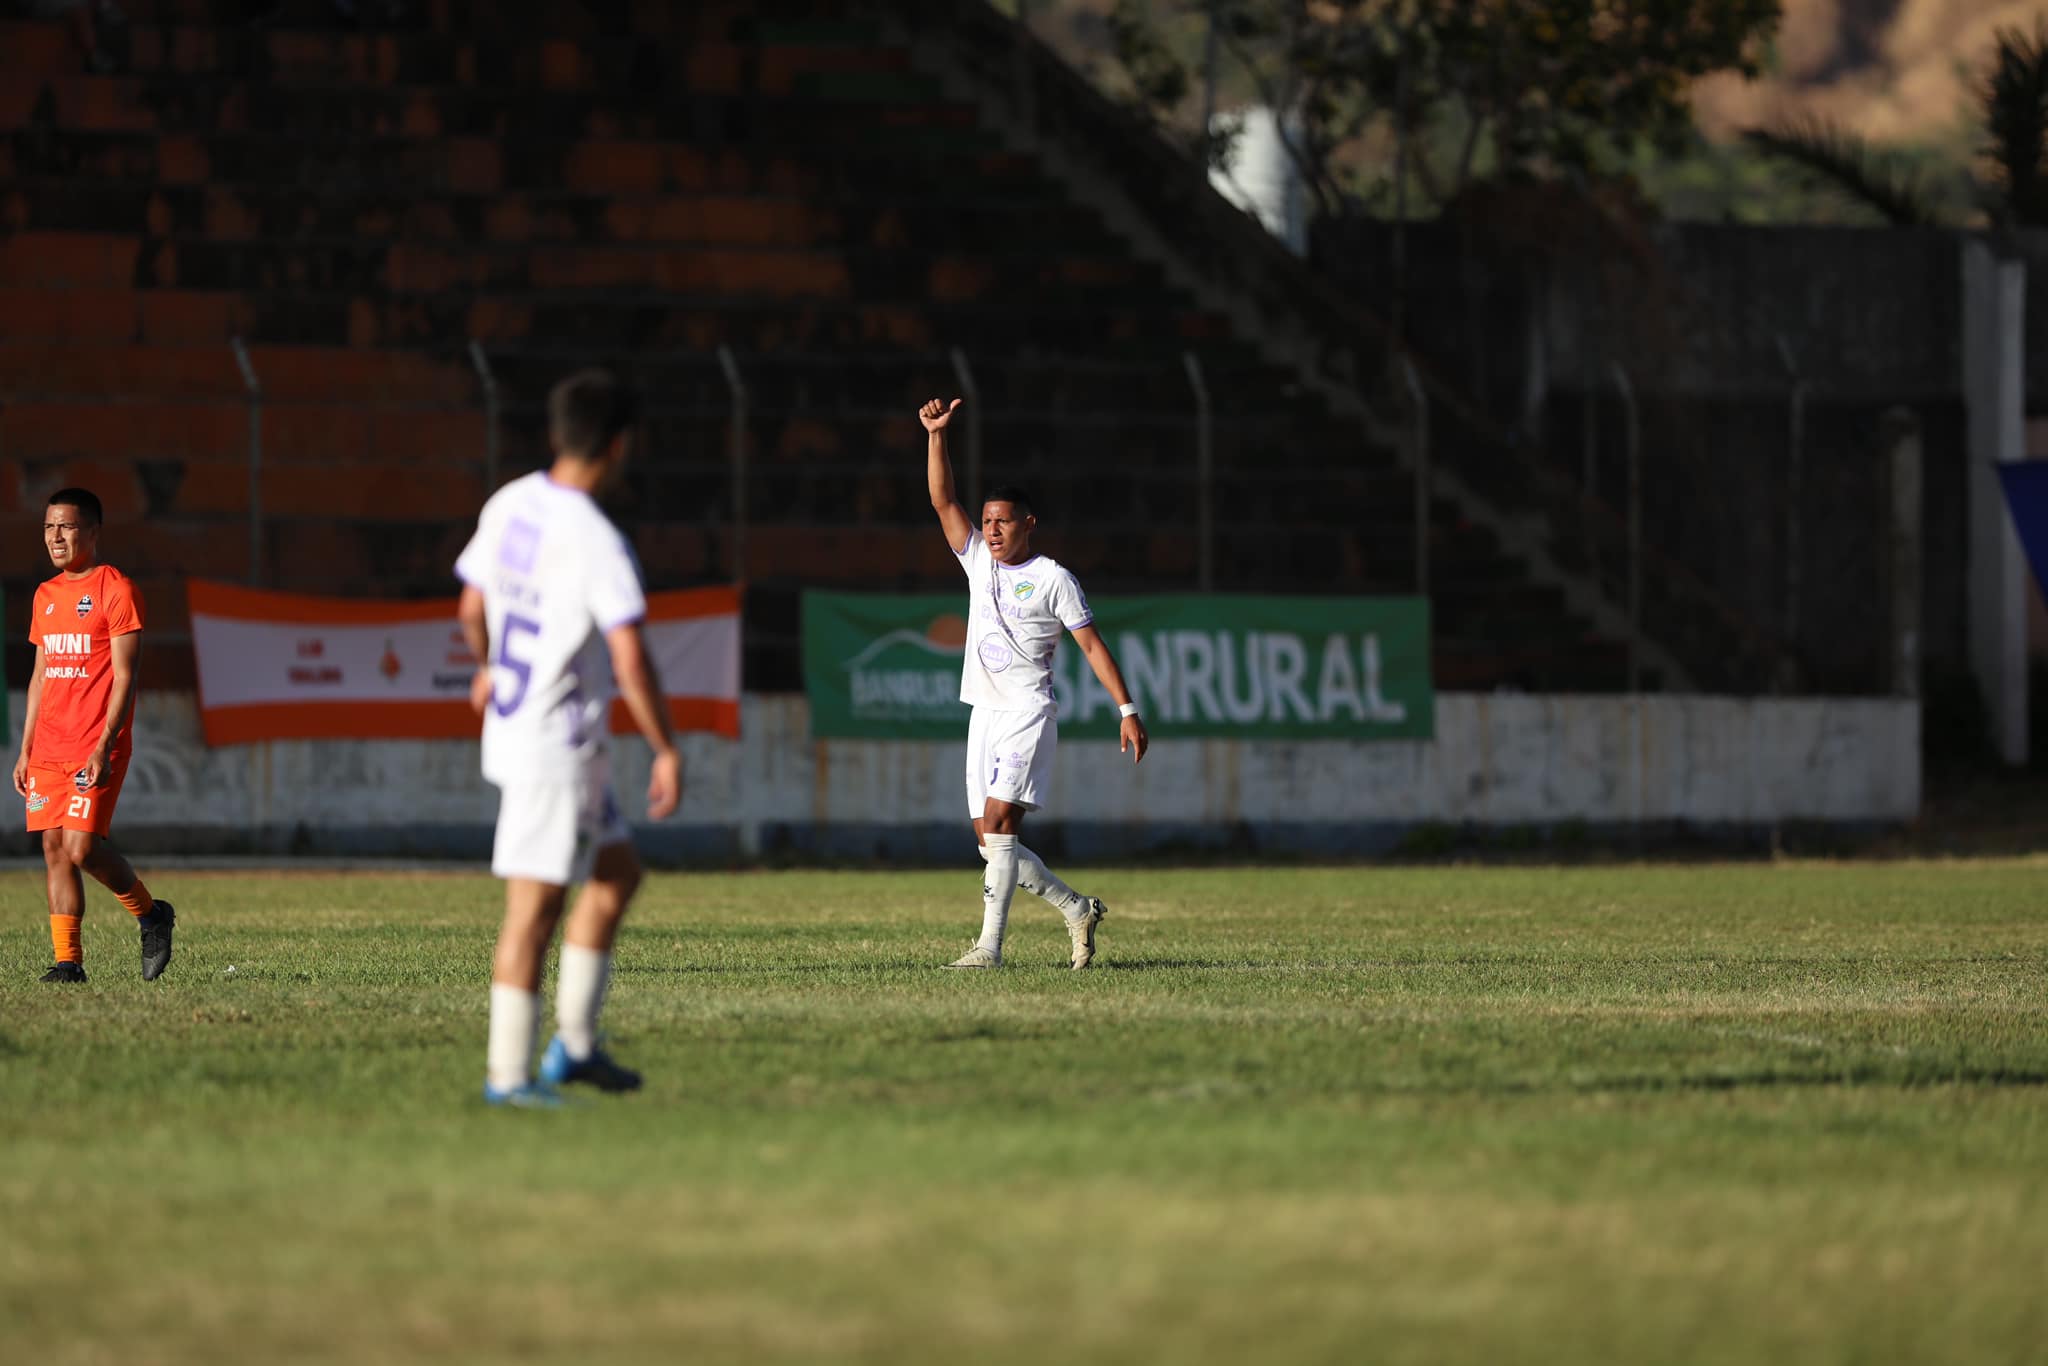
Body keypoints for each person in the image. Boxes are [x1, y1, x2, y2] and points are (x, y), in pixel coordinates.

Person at [454, 368, 681, 1107]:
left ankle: (575, 1047)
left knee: (616, 875)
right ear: (620, 446)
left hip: (540, 733)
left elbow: (471, 604)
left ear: (557, 435)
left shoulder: (511, 501)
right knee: (534, 910)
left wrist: (486, 665)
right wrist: (667, 746)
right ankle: (508, 1077)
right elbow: (629, 657)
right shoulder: (597, 539)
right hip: (552, 747)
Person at [919, 397, 1148, 970]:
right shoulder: (977, 560)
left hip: (1027, 711)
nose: (991, 530)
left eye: (1002, 521)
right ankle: (1076, 908)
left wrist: (1127, 707)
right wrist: (936, 437)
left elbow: (1091, 646)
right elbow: (942, 499)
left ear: (1028, 524)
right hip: (983, 712)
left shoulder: (1053, 580)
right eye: (988, 521)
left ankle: (988, 950)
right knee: (990, 842)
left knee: (999, 828)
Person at [13, 487, 176, 983]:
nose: (56, 536)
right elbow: (41, 676)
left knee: (82, 848)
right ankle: (69, 964)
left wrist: (105, 745)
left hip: (95, 745)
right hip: (48, 748)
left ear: (93, 532)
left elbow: (125, 676)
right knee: (53, 849)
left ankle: (151, 915)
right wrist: (24, 750)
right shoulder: (44, 596)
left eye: (67, 526)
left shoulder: (116, 590)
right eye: (48, 527)